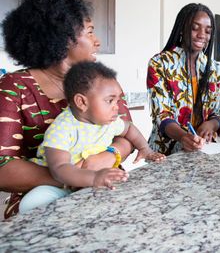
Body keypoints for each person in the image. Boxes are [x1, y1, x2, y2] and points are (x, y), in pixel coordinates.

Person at [0, 0, 134, 219]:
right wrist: (76, 174)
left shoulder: (99, 81)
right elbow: (3, 168)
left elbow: (126, 133)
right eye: (90, 32)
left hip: (105, 188)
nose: (97, 41)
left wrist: (110, 155)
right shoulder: (13, 87)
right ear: (62, 38)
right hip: (40, 201)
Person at [19, 61, 166, 213]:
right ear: (82, 102)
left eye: (118, 101)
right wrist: (93, 177)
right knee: (31, 202)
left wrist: (145, 149)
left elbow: (129, 128)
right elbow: (59, 169)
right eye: (110, 101)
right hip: (59, 187)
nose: (116, 107)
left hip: (92, 184)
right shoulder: (62, 129)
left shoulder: (109, 122)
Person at [147, 3, 220, 155]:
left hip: (203, 151)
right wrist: (183, 137)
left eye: (208, 31)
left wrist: (211, 124)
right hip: (165, 152)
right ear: (182, 28)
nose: (202, 35)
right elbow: (162, 114)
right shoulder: (160, 63)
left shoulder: (214, 68)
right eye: (195, 28)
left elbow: (218, 112)